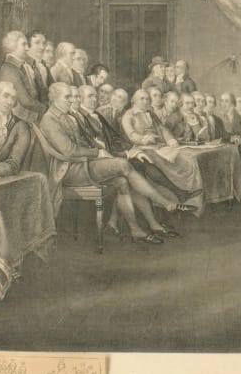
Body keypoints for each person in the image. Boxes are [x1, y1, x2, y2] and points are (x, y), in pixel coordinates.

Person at [38, 83, 178, 245]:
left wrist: (101, 150)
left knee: (122, 181)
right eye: (67, 97)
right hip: (68, 170)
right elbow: (69, 151)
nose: (71, 100)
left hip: (83, 164)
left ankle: (137, 230)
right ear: (54, 98)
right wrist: (98, 153)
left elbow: (86, 141)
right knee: (123, 165)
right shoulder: (50, 119)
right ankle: (165, 203)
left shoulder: (68, 116)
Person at [120, 89, 222, 214]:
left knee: (184, 158)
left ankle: (186, 190)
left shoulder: (150, 113)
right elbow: (131, 134)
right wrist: (143, 139)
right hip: (141, 148)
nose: (145, 101)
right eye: (142, 98)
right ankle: (179, 193)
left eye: (147, 98)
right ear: (133, 100)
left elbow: (162, 129)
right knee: (159, 160)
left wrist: (171, 140)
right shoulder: (128, 115)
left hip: (158, 146)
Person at [0, 30, 47, 124]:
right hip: (18, 122)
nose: (27, 48)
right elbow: (25, 101)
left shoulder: (20, 67)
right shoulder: (9, 69)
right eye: (24, 44)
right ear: (12, 46)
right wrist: (47, 110)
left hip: (29, 119)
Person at [27, 28, 53, 105]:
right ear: (28, 45)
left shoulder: (44, 66)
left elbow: (53, 87)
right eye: (37, 43)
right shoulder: (24, 65)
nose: (42, 47)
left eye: (43, 43)